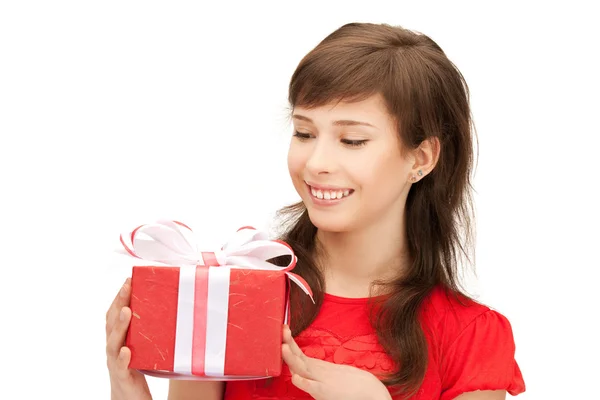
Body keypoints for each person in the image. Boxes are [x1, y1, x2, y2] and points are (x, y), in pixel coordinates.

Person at [105, 22, 526, 400]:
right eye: (304, 132)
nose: (315, 162)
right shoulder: (233, 293)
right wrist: (128, 393)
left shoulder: (472, 337)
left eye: (353, 140)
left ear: (422, 158)